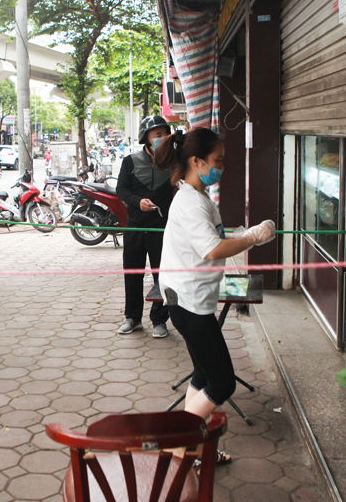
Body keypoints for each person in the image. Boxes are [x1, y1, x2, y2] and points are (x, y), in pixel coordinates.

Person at [155, 127, 275, 466]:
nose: (222, 166)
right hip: (189, 304)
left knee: (203, 376)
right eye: (217, 160)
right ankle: (178, 446)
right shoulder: (190, 202)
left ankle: (192, 451)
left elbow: (215, 238)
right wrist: (252, 237)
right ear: (196, 161)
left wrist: (242, 234)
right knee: (222, 383)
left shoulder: (198, 196)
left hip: (191, 298)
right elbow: (212, 249)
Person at [115, 115, 174, 338]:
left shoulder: (173, 163)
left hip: (162, 228)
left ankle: (160, 320)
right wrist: (137, 202)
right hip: (135, 227)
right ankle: (132, 318)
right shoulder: (130, 162)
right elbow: (121, 189)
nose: (162, 138)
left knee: (163, 275)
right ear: (145, 138)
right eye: (157, 135)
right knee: (133, 273)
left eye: (164, 134)